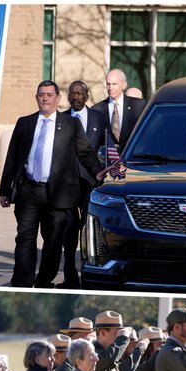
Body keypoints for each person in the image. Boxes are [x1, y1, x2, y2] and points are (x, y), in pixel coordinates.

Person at [0, 80, 108, 288]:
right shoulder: (25, 122)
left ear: (58, 98)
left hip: (58, 194)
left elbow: (85, 152)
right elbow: (12, 158)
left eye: (49, 94)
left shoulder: (71, 124)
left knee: (53, 243)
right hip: (28, 190)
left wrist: (97, 171)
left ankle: (43, 281)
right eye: (41, 94)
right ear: (36, 98)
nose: (45, 98)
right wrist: (5, 190)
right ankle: (21, 282)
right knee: (25, 238)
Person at [59, 80, 107, 288]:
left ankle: (87, 278)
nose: (76, 96)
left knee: (89, 234)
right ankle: (69, 279)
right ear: (68, 96)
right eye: (72, 93)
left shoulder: (99, 118)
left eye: (80, 93)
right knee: (68, 234)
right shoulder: (60, 119)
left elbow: (108, 146)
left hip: (91, 185)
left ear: (87, 97)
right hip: (66, 187)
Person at [91, 68, 146, 152]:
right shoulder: (97, 109)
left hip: (131, 159)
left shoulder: (138, 106)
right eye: (108, 84)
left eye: (114, 84)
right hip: (107, 161)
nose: (110, 88)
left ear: (124, 85)